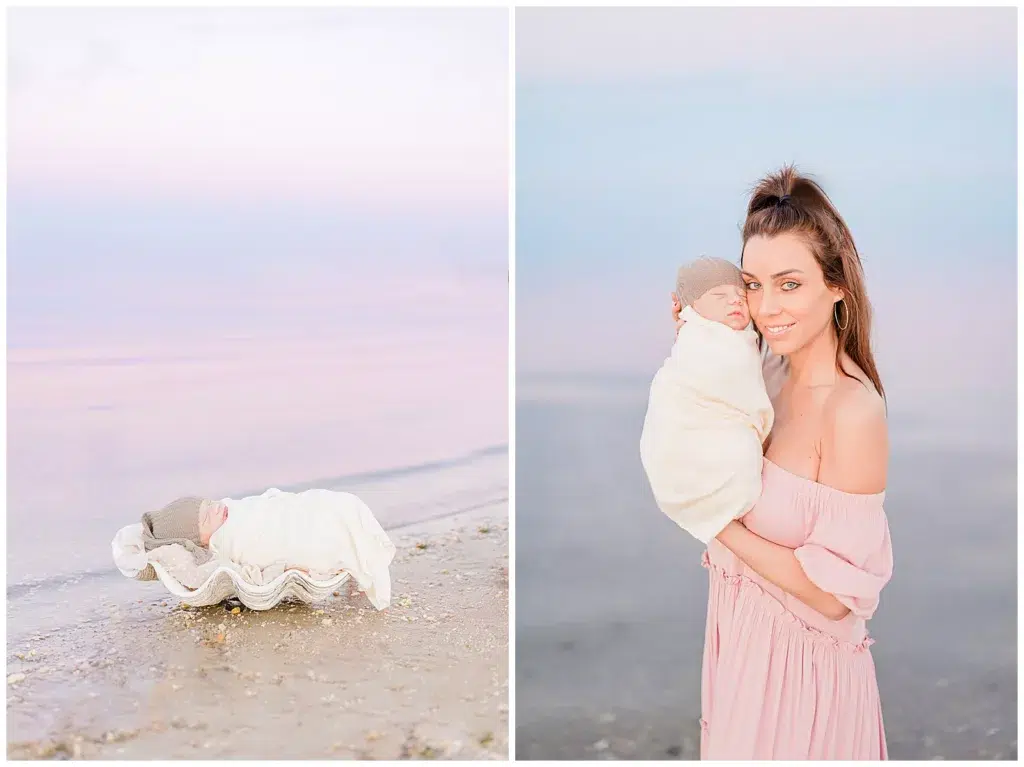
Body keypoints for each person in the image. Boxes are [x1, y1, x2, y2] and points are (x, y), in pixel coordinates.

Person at [670, 166, 893, 760]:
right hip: (743, 650)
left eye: (789, 284)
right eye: (752, 284)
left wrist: (714, 522)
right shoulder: (761, 377)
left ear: (837, 284)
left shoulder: (852, 412)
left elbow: (834, 597)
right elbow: (688, 434)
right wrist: (698, 341)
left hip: (806, 680)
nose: (766, 308)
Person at [640, 256, 773, 544]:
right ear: (693, 307)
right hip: (688, 429)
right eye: (720, 296)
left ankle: (713, 499)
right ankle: (708, 494)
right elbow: (708, 381)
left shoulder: (739, 341)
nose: (735, 302)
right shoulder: (700, 340)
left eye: (741, 294)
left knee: (736, 451)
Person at [140, 488, 396, 607]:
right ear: (201, 541)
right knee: (319, 531)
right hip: (288, 535)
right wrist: (282, 568)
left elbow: (265, 509)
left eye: (209, 503)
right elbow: (244, 571)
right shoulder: (218, 549)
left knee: (333, 507)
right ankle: (350, 548)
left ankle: (350, 536)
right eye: (208, 517)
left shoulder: (230, 510)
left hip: (289, 514)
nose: (217, 508)